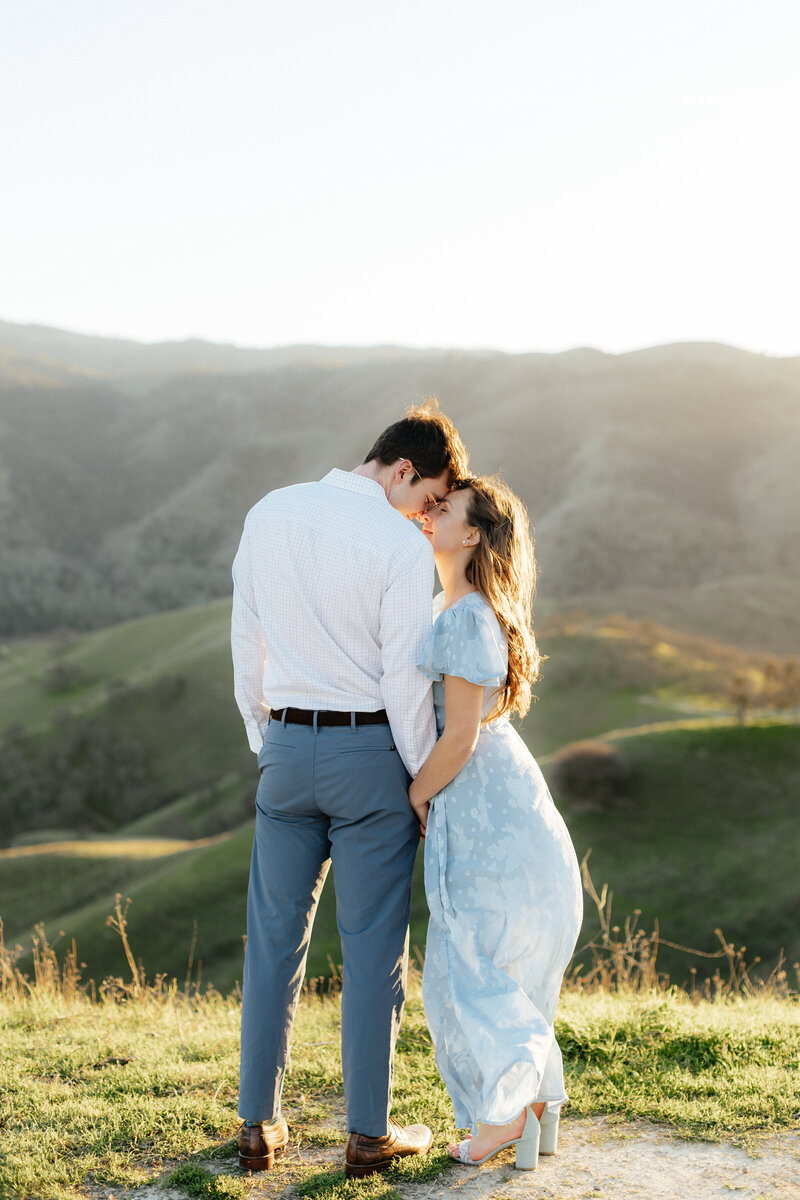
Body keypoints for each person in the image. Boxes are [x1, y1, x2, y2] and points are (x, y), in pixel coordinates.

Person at [231, 403, 470, 1177]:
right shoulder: (397, 548)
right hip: (371, 754)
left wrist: (267, 739)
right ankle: (369, 1134)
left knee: (272, 942)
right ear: (404, 471)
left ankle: (257, 1125)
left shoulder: (269, 512)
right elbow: (405, 680)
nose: (429, 514)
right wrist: (420, 782)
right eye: (431, 497)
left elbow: (247, 641)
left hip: (286, 747)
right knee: (373, 951)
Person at [411, 475, 583, 1169]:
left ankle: (505, 1115)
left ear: (475, 533)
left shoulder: (463, 616)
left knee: (466, 971)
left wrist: (415, 794)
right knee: (489, 966)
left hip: (480, 806)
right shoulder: (462, 608)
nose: (428, 516)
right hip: (502, 802)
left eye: (443, 510)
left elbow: (457, 739)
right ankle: (535, 1106)